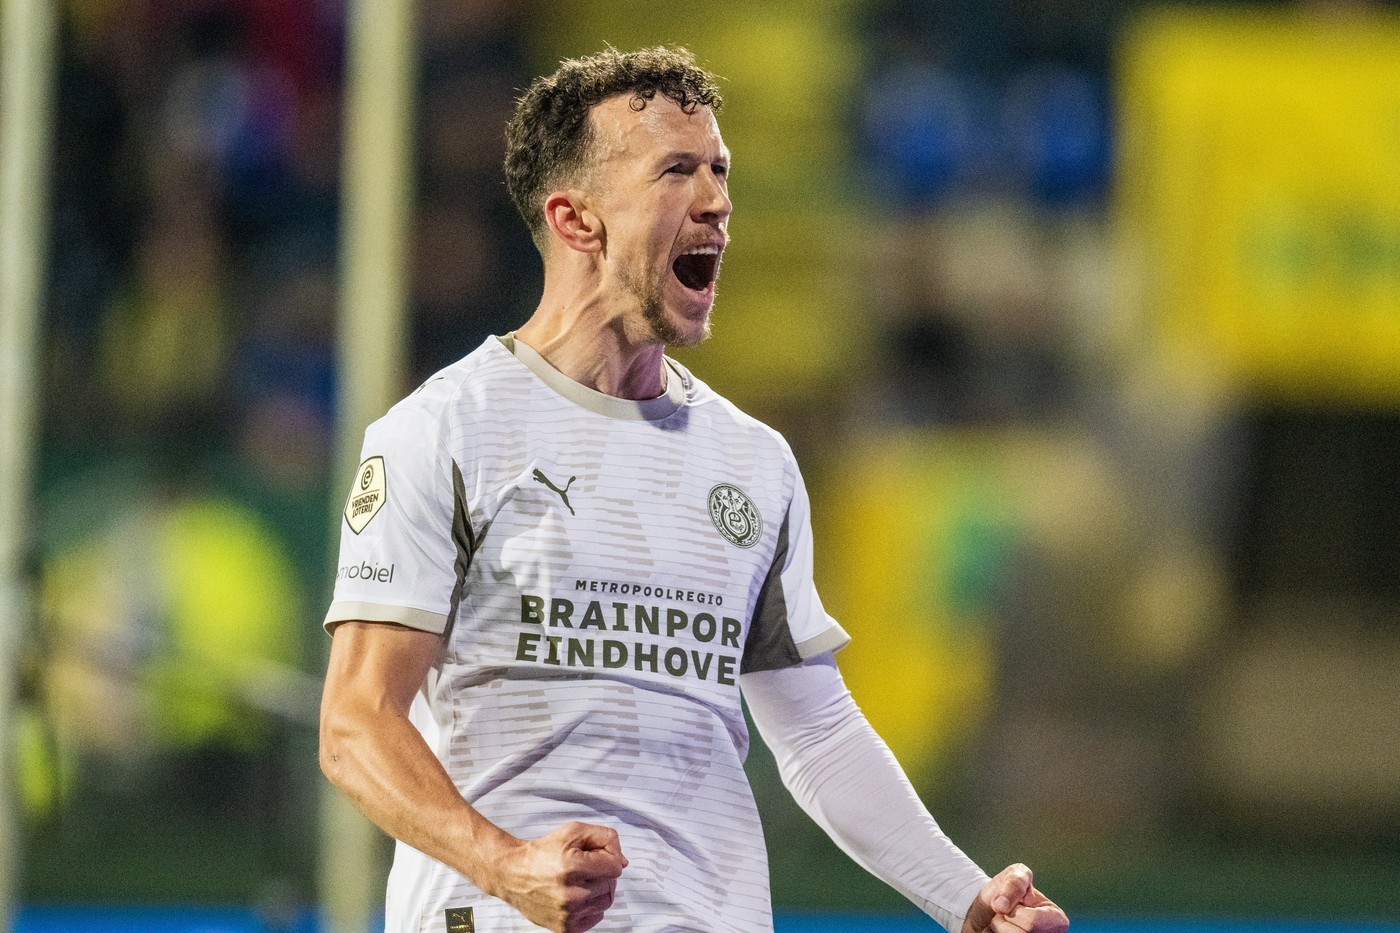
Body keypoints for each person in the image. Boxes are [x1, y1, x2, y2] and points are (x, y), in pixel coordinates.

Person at [319, 46, 1069, 933]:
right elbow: (355, 724)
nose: (716, 199)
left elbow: (819, 735)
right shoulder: (444, 431)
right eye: (676, 170)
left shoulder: (753, 463)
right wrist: (506, 865)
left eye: (720, 170)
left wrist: (964, 898)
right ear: (577, 218)